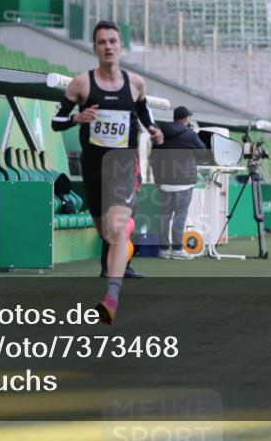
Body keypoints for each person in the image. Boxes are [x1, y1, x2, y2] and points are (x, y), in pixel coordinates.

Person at [51, 20, 163, 324]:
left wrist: (152, 129)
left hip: (123, 164)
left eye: (113, 41)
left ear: (121, 46)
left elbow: (142, 110)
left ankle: (111, 298)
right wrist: (77, 118)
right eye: (102, 42)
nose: (108, 47)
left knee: (114, 229)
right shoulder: (81, 84)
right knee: (107, 232)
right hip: (93, 166)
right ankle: (124, 234)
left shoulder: (136, 83)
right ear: (95, 48)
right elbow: (56, 122)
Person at [152, 105, 206, 260]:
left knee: (164, 215)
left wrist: (157, 179)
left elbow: (153, 157)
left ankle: (163, 250)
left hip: (164, 180)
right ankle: (177, 249)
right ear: (186, 119)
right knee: (180, 214)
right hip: (184, 181)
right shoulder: (190, 135)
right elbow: (202, 152)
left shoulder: (161, 132)